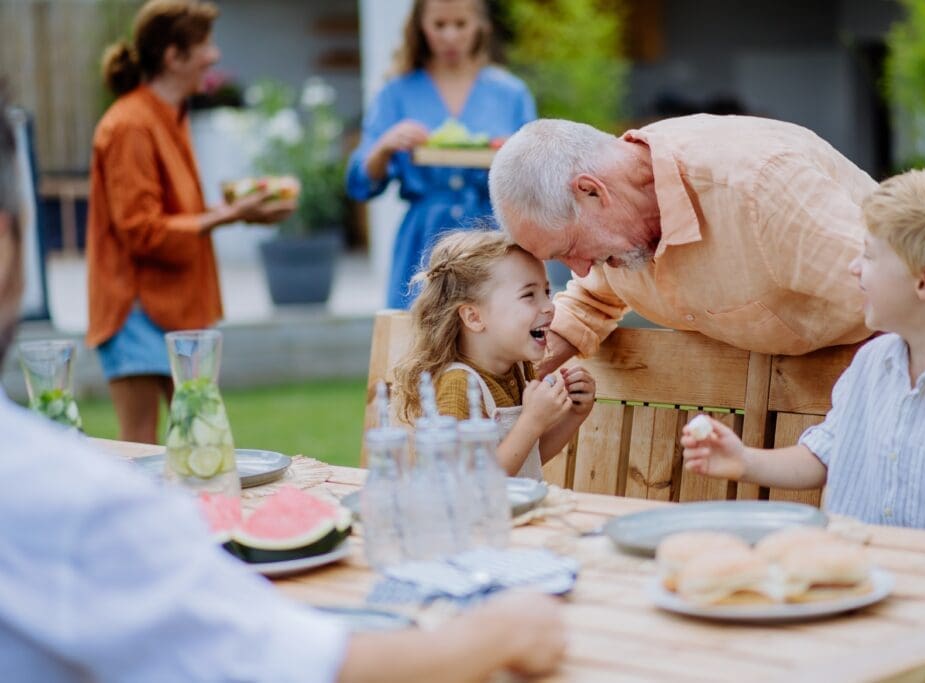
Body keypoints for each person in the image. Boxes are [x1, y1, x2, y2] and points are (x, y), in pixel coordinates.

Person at [0, 91, 566, 681]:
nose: (547, 303)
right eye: (532, 293)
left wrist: (553, 418)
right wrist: (493, 638)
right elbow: (276, 661)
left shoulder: (511, 377)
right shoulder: (61, 499)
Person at [488, 116, 925, 376]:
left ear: (591, 191)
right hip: (781, 418)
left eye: (570, 250)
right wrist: (506, 375)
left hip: (884, 380)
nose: (578, 270)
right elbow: (590, 300)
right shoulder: (616, 235)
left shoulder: (761, 189)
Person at [681, 168, 925, 536]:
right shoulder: (870, 364)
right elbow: (825, 454)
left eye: (870, 255)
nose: (853, 266)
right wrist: (743, 460)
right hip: (854, 573)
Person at [86, 0, 295, 444]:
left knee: (203, 440)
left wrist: (238, 212)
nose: (215, 56)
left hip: (179, 305)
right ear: (173, 56)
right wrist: (228, 215)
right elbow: (141, 230)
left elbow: (177, 215)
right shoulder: (129, 124)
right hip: (135, 308)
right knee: (139, 447)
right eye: (205, 44)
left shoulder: (171, 113)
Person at [346, 0, 536, 309]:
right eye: (439, 25)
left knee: (495, 337)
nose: (449, 36)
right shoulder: (397, 92)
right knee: (417, 340)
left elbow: (535, 178)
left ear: (479, 26)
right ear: (421, 27)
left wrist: (513, 154)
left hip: (492, 238)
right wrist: (385, 145)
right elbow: (359, 182)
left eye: (460, 24)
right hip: (423, 242)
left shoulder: (511, 93)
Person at [392, 230, 595, 478]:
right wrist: (532, 421)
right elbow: (470, 482)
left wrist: (575, 414)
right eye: (529, 295)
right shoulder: (459, 386)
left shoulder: (519, 368)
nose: (549, 306)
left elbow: (527, 455)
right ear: (474, 317)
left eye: (547, 292)